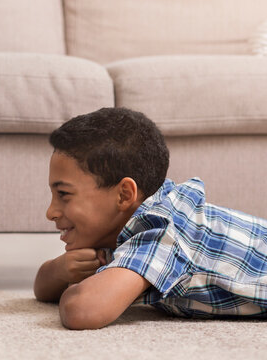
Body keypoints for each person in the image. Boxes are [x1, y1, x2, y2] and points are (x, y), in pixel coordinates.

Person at [33, 107, 267, 329]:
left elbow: (82, 311)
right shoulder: (120, 224)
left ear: (124, 195)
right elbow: (42, 290)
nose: (50, 212)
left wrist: (72, 288)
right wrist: (59, 270)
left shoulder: (160, 230)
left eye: (64, 194)